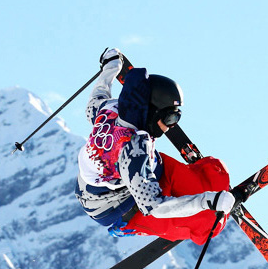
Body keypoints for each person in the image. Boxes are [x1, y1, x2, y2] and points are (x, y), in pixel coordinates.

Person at [74, 48, 236, 245]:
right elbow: (154, 207)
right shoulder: (132, 151)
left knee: (215, 174)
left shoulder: (111, 109)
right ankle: (130, 226)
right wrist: (206, 201)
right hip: (119, 204)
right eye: (170, 118)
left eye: (176, 117)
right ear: (151, 112)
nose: (172, 126)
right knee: (208, 224)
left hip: (135, 172)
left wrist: (111, 67)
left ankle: (204, 188)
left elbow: (96, 98)